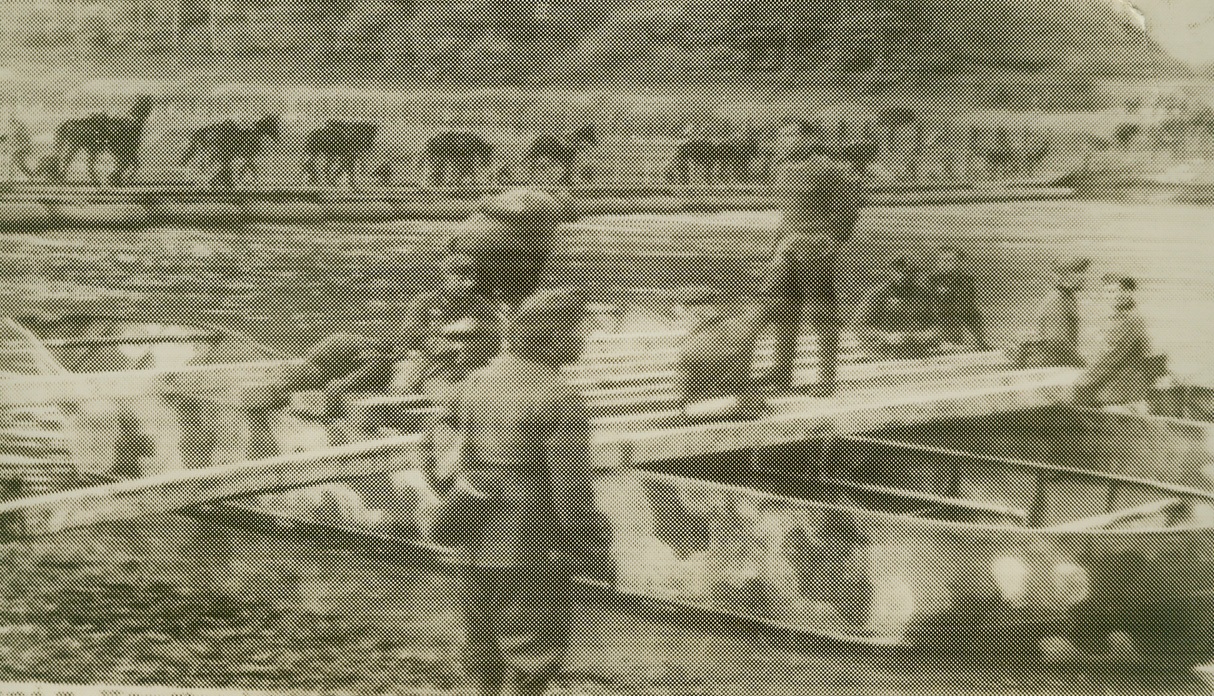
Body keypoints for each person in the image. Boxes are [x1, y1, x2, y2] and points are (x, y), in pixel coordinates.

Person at [446, 288, 613, 696]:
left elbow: (450, 452)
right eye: (581, 329)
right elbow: (570, 487)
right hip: (533, 541)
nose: (585, 339)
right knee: (533, 655)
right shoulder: (561, 396)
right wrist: (591, 546)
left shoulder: (477, 380)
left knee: (482, 647)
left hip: (475, 530)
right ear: (554, 337)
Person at [240, 252, 502, 456]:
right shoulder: (425, 302)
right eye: (458, 276)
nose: (465, 283)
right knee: (337, 344)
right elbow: (409, 335)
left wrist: (452, 347)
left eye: (470, 278)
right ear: (446, 277)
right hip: (408, 357)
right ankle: (282, 388)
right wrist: (442, 341)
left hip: (440, 371)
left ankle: (351, 413)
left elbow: (490, 347)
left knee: (393, 379)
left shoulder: (482, 310)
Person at [748, 149, 866, 397]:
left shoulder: (828, 169)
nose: (785, 140)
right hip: (787, 246)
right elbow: (785, 218)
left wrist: (831, 238)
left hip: (816, 247)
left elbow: (850, 209)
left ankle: (826, 379)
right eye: (783, 135)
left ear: (808, 139)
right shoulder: (783, 169)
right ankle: (782, 373)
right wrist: (774, 251)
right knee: (782, 307)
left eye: (792, 134)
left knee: (821, 310)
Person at [445, 187, 565, 311]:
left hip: (467, 243)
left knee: (479, 289)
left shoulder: (519, 196)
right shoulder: (547, 204)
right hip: (487, 247)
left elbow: (489, 209)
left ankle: (480, 310)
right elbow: (539, 253)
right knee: (511, 284)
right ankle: (508, 309)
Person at [1073, 274, 1162, 408]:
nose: (1111, 296)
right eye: (1107, 292)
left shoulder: (1129, 320)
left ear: (1128, 293)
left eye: (1114, 291)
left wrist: (1085, 381)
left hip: (1121, 392)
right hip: (1118, 387)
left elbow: (1111, 356)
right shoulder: (1120, 317)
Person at [855, 255, 939, 360]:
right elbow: (859, 327)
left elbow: (936, 325)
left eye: (909, 271)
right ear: (890, 272)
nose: (903, 275)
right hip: (883, 352)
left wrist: (923, 336)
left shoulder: (924, 294)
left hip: (918, 350)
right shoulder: (877, 294)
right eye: (898, 270)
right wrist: (886, 337)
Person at [1012, 256, 1089, 368]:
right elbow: (1057, 345)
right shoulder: (1058, 301)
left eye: (1083, 272)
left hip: (1056, 361)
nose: (1083, 278)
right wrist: (1081, 365)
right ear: (1064, 277)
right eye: (1077, 273)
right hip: (1053, 366)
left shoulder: (1067, 296)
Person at [927, 246, 990, 351]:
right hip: (934, 318)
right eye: (941, 260)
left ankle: (978, 342)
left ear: (959, 263)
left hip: (954, 317)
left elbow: (966, 305)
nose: (944, 263)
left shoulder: (967, 280)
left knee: (969, 312)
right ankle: (941, 342)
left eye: (949, 260)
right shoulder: (932, 280)